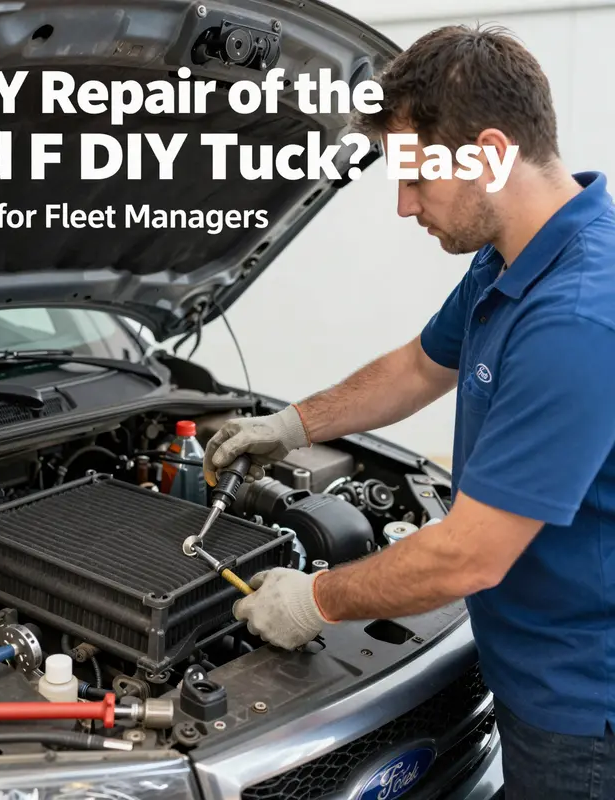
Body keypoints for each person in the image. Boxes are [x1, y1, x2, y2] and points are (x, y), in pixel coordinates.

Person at [203, 23, 615, 800]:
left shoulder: (579, 314)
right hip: (517, 657)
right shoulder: (517, 257)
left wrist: (315, 600)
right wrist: (291, 425)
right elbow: (420, 366)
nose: (403, 205)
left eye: (416, 177)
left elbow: (469, 556)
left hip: (580, 711)